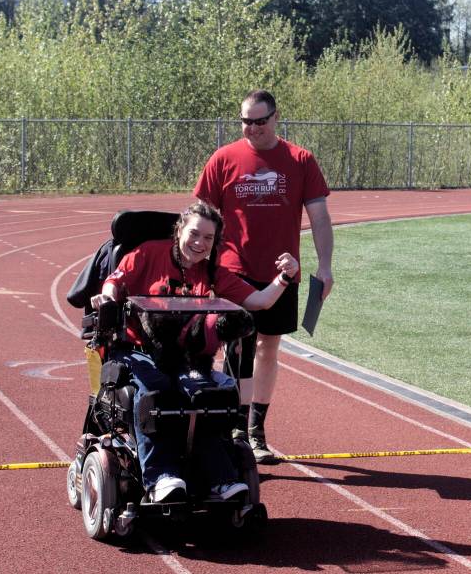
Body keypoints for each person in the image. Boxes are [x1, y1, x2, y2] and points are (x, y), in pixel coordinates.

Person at [94, 201, 300, 503]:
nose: (200, 243)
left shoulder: (212, 271)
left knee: (208, 395)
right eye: (194, 234)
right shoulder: (149, 252)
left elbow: (259, 301)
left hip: (183, 355)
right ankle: (159, 477)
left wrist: (285, 277)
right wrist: (108, 298)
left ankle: (220, 479)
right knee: (156, 390)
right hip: (136, 350)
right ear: (180, 230)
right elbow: (115, 283)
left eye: (208, 238)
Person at [194, 89, 334, 463]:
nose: (251, 129)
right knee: (238, 346)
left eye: (259, 121)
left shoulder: (300, 160)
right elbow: (199, 218)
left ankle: (256, 429)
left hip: (282, 273)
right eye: (245, 121)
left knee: (269, 347)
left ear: (275, 118)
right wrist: (197, 264)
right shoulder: (224, 159)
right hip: (232, 270)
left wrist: (324, 266)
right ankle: (235, 427)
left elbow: (319, 217)